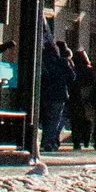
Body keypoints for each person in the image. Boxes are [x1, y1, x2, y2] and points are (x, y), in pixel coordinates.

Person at [38, 27, 74, 155]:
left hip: (44, 94)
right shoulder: (62, 62)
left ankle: (44, 141)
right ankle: (48, 142)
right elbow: (72, 76)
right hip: (58, 95)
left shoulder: (42, 62)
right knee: (54, 120)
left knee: (45, 119)